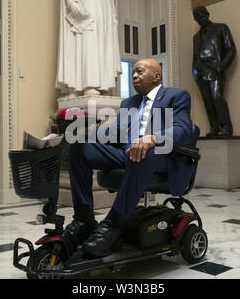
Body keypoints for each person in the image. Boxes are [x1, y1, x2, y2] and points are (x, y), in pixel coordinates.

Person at [64, 59, 195, 257]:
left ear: (156, 76)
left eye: (139, 72)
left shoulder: (177, 96)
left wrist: (153, 138)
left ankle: (113, 226)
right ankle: (84, 219)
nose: (134, 76)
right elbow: (116, 132)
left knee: (143, 152)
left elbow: (182, 129)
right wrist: (91, 133)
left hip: (160, 155)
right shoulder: (129, 102)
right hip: (127, 153)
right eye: (133, 73)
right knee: (79, 145)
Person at [56, 0, 121, 96]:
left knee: (102, 45)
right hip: (86, 7)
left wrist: (112, 15)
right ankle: (86, 84)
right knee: (88, 44)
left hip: (103, 9)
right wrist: (72, 2)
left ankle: (102, 84)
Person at [192, 5, 236, 137]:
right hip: (201, 73)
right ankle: (215, 127)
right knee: (207, 100)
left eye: (202, 15)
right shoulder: (196, 37)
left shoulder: (221, 28)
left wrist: (221, 67)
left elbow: (231, 50)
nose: (201, 18)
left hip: (216, 70)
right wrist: (195, 72)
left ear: (208, 14)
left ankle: (226, 127)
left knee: (217, 98)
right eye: (197, 17)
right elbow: (195, 57)